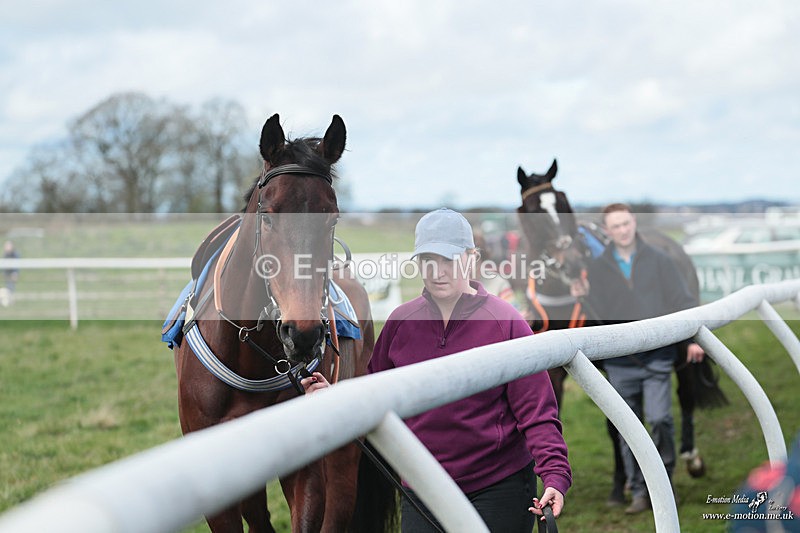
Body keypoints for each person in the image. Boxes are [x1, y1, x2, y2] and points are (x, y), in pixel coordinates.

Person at [304, 208, 572, 532]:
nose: (438, 271)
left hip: (498, 485)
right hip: (423, 485)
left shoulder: (507, 322)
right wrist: (333, 396)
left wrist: (555, 475)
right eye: (428, 260)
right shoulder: (401, 323)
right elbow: (375, 395)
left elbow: (537, 411)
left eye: (449, 260)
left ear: (471, 259)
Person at [573, 203, 705, 514]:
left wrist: (691, 340)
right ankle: (638, 491)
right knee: (627, 429)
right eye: (615, 226)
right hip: (621, 363)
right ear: (608, 231)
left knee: (660, 419)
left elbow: (682, 302)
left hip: (658, 357)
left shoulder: (661, 260)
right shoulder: (598, 269)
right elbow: (599, 316)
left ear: (634, 223)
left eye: (626, 224)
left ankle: (664, 483)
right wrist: (584, 296)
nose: (622, 230)